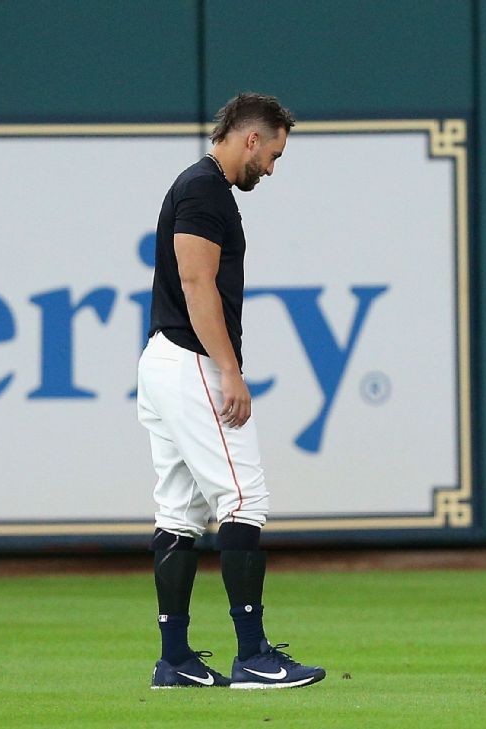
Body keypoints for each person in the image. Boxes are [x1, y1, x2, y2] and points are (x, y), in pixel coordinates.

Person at [139, 92, 324, 689]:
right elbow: (197, 284)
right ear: (250, 138)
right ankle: (253, 655)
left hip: (167, 359)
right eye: (273, 153)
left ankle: (175, 661)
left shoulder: (204, 188)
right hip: (191, 360)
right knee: (243, 503)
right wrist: (230, 371)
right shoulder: (203, 188)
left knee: (179, 513)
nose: (271, 167)